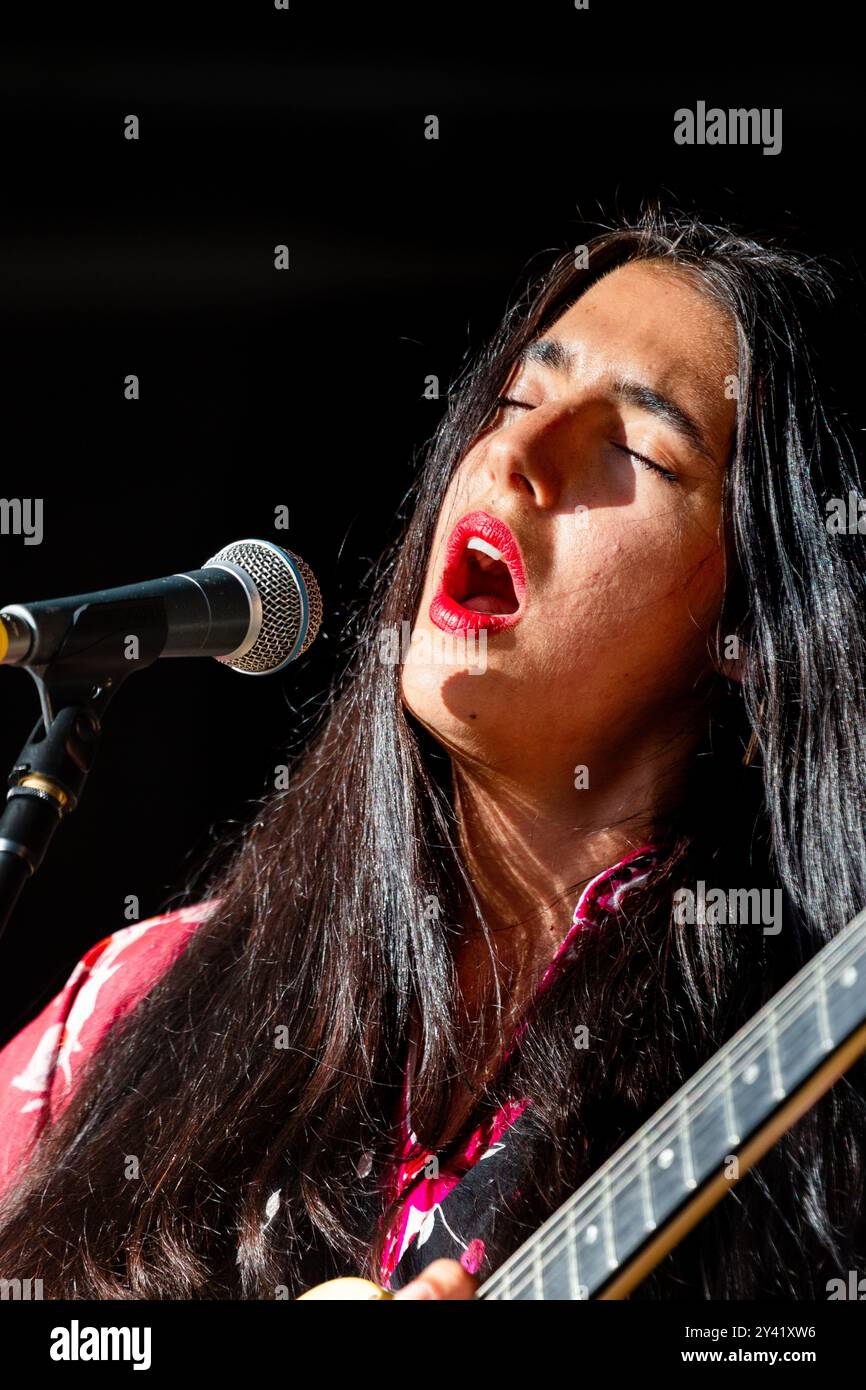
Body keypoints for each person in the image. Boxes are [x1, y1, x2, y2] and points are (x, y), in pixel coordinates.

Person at [0, 206, 863, 1300]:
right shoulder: (133, 1004)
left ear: (750, 626)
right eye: (512, 399)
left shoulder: (808, 1101)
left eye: (634, 448)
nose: (513, 455)